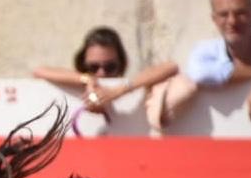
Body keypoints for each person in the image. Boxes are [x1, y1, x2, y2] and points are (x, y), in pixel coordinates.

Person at [144, 0, 251, 131]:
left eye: (240, 13)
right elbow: (199, 74)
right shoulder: (205, 51)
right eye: (224, 14)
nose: (232, 21)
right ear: (214, 19)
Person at [33, 26, 179, 123]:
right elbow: (39, 71)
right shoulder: (85, 80)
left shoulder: (127, 87)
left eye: (110, 67)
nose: (101, 73)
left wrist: (118, 91)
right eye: (93, 67)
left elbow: (171, 67)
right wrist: (86, 79)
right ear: (83, 64)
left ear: (122, 64)